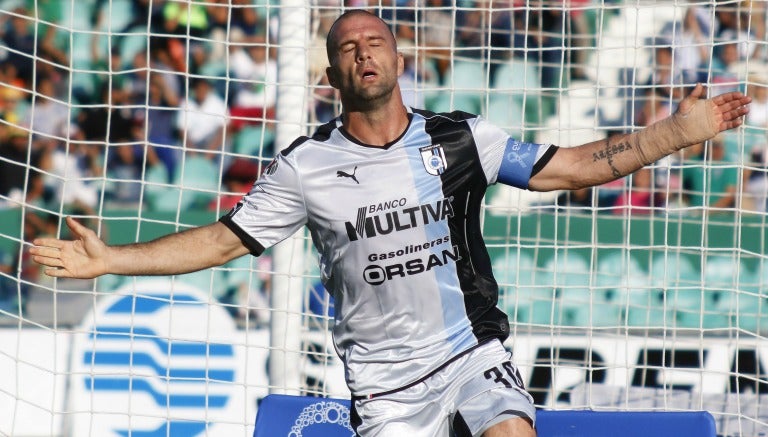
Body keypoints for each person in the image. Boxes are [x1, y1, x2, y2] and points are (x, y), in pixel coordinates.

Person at [30, 9, 751, 437]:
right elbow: (223, 241)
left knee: (510, 430)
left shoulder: (460, 138)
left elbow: (573, 167)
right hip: (384, 387)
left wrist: (673, 133)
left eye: (374, 41)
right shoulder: (306, 166)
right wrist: (110, 259)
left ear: (399, 59)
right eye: (347, 48)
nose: (362, 52)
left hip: (470, 354)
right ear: (332, 76)